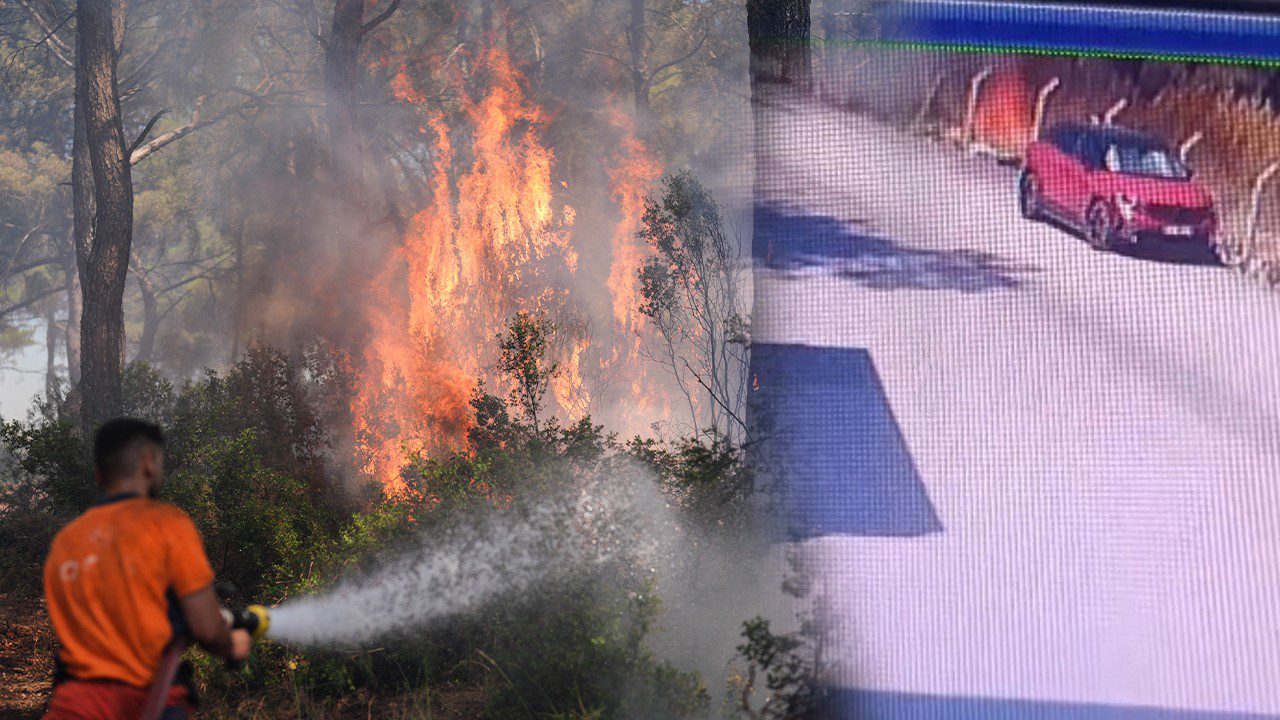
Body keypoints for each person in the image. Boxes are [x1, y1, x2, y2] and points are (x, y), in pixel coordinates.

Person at [42, 418, 252, 719]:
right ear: (148, 462)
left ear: (99, 473)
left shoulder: (65, 542)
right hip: (146, 702)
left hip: (72, 706)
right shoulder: (167, 525)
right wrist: (232, 643)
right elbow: (207, 628)